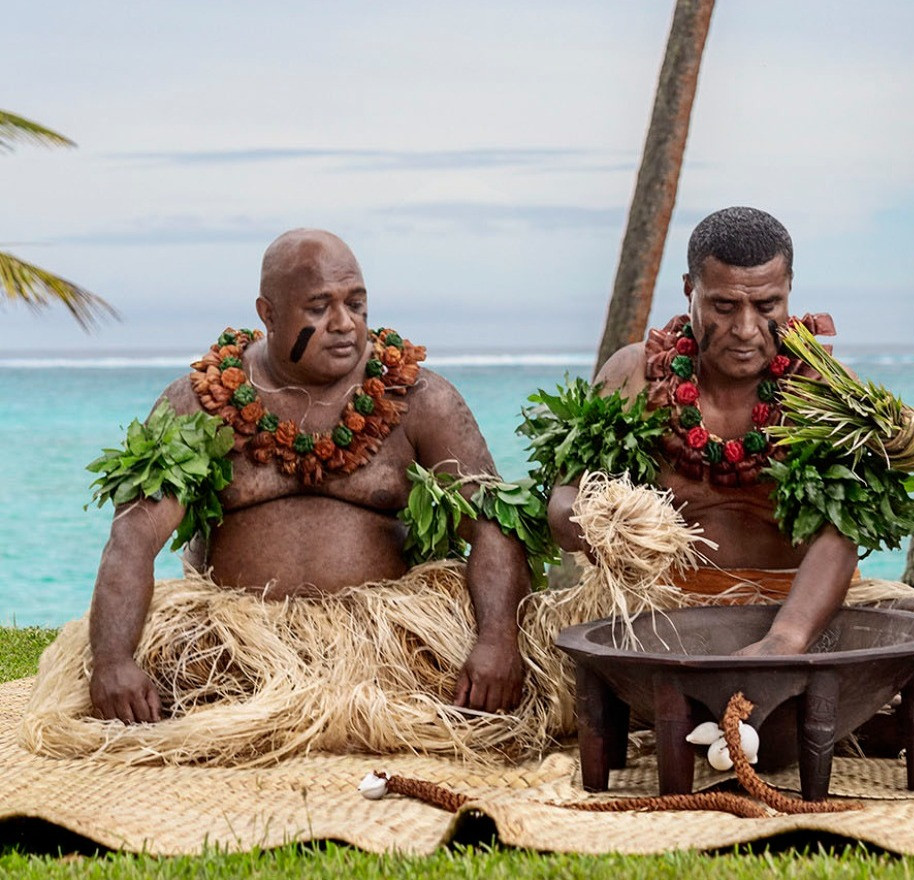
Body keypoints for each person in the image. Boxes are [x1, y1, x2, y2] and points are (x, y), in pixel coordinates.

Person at [23, 229, 542, 766]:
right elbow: (133, 536)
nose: (344, 324)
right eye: (319, 307)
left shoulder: (420, 399)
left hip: (383, 648)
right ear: (268, 314)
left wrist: (497, 642)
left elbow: (492, 524)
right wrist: (112, 660)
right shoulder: (200, 404)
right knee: (157, 698)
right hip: (232, 646)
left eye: (356, 304)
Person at [543, 207, 914, 658]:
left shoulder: (826, 391)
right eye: (723, 306)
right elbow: (563, 498)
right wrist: (601, 523)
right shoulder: (634, 376)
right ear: (689, 291)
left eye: (766, 306)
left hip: (806, 612)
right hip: (666, 614)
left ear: (788, 292)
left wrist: (785, 640)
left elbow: (842, 531)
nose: (745, 330)